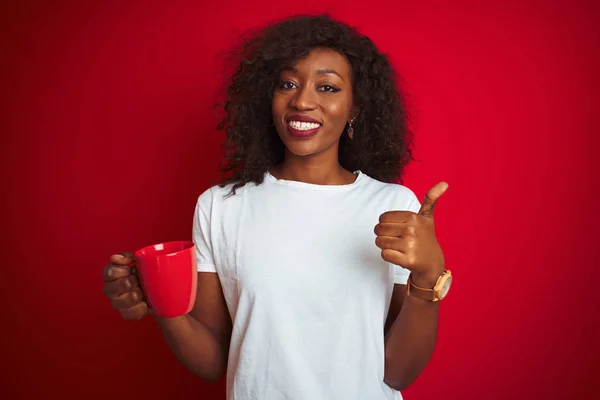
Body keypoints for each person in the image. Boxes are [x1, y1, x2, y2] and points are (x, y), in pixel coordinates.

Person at [102, 14, 452, 400]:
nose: (302, 100)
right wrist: (160, 301)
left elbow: (399, 373)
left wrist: (428, 278)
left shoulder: (392, 205)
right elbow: (212, 362)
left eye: (328, 87)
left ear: (355, 108)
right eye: (288, 84)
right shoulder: (220, 206)